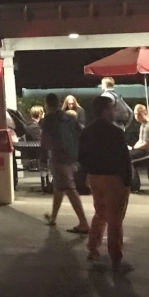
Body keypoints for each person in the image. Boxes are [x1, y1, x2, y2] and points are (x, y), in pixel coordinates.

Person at [79, 96, 134, 273]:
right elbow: (124, 158)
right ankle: (116, 257)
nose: (114, 112)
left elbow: (81, 156)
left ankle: (93, 248)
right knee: (115, 218)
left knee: (100, 213)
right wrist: (127, 180)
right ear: (104, 110)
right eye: (111, 109)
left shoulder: (87, 131)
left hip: (94, 177)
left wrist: (88, 173)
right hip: (114, 178)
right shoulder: (115, 132)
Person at [39, 93, 90, 234]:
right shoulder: (70, 117)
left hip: (57, 156)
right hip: (71, 155)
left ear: (47, 104)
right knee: (58, 187)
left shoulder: (49, 119)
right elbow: (81, 133)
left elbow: (44, 140)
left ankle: (83, 223)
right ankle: (53, 217)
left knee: (68, 187)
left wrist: (43, 159)